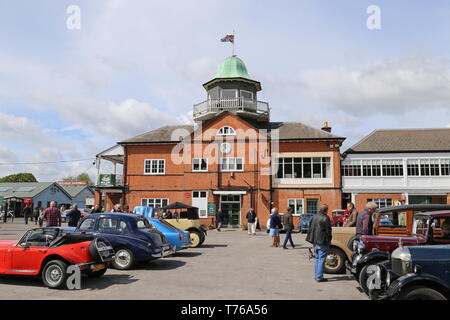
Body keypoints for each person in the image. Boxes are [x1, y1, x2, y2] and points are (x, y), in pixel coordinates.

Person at [306, 204, 332, 282]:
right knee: (321, 259)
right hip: (322, 241)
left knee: (317, 258)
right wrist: (329, 240)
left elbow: (310, 228)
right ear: (326, 210)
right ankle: (319, 277)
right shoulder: (325, 218)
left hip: (315, 241)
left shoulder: (313, 216)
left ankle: (317, 275)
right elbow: (328, 231)